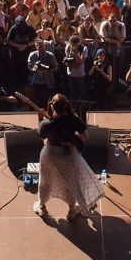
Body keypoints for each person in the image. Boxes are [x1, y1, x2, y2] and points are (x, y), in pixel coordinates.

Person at [33, 93, 104, 221]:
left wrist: (40, 119)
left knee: (45, 181)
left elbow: (41, 136)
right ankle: (71, 211)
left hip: (49, 156)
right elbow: (85, 136)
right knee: (71, 183)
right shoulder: (74, 120)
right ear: (66, 106)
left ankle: (42, 207)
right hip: (68, 157)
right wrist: (72, 141)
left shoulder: (46, 123)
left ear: (52, 107)